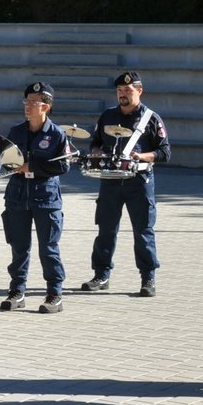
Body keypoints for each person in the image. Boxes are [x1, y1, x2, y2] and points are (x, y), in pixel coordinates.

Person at [82, 70, 170, 296]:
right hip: (110, 181)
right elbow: (95, 143)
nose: (123, 94)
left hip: (138, 181)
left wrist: (143, 157)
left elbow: (165, 152)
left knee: (143, 231)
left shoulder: (151, 118)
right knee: (106, 230)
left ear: (139, 91)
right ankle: (101, 275)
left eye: (128, 90)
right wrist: (97, 153)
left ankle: (148, 278)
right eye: (120, 90)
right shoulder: (107, 116)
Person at [0, 81, 74, 314]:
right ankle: (17, 290)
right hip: (18, 196)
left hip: (46, 197)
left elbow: (63, 165)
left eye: (34, 102)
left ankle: (54, 293)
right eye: (27, 101)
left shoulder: (57, 134)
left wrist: (33, 167)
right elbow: (6, 159)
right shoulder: (16, 132)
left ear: (46, 106)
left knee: (48, 248)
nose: (28, 106)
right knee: (19, 247)